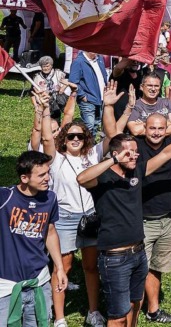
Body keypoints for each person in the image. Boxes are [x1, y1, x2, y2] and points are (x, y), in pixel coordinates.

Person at [77, 108, 171, 327]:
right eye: (129, 152)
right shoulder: (103, 178)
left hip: (138, 253)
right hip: (115, 257)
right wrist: (112, 160)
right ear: (116, 153)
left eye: (136, 152)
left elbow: (168, 153)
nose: (134, 156)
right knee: (117, 315)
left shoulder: (137, 172)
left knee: (134, 305)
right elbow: (81, 178)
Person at [35, 87, 119, 327]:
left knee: (91, 267)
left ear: (86, 139)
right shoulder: (56, 158)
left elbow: (112, 138)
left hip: (90, 217)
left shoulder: (92, 155)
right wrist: (44, 110)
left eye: (79, 136)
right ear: (64, 138)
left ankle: (93, 311)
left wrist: (109, 106)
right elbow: (46, 138)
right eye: (70, 136)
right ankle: (59, 317)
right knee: (64, 266)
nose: (74, 140)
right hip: (65, 218)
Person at [0, 150, 67, 327]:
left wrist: (59, 268)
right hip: (6, 286)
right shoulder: (5, 197)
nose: (48, 179)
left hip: (39, 281)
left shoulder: (50, 198)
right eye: (42, 175)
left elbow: (50, 232)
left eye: (48, 173)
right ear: (24, 178)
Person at [69, 51, 109, 138]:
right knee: (89, 126)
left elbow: (104, 75)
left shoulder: (99, 59)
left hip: (101, 99)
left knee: (97, 125)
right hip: (88, 99)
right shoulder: (78, 62)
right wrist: (82, 96)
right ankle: (85, 147)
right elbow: (73, 81)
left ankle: (92, 146)